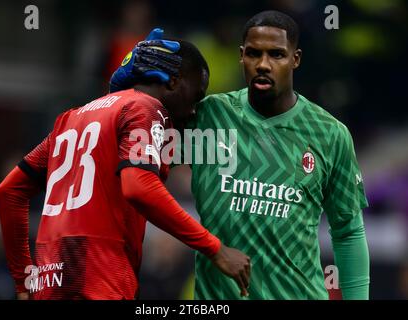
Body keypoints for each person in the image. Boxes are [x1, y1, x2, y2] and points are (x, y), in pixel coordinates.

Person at [110, 10, 370, 299]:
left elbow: (348, 233)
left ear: (295, 59)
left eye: (277, 55)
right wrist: (127, 87)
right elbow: (130, 148)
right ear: (241, 56)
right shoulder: (207, 116)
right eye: (254, 54)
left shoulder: (330, 134)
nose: (263, 64)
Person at [0, 38, 251, 300]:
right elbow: (139, 186)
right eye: (196, 94)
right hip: (101, 277)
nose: (194, 109)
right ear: (174, 82)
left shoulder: (71, 118)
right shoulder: (147, 108)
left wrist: (23, 281)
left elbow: (9, 191)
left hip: (50, 279)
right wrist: (215, 248)